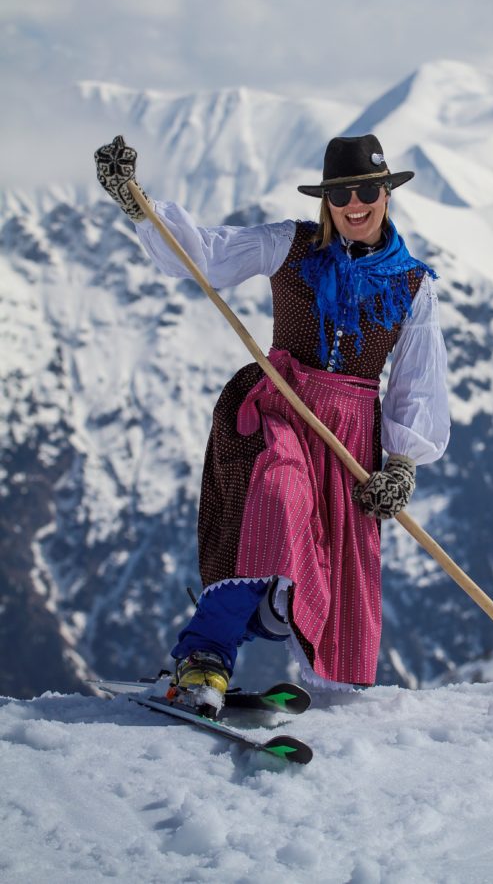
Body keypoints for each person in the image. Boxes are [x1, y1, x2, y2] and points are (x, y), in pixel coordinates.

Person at [94, 132, 450, 715]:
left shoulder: (414, 285)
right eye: (341, 194)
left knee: (339, 570)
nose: (354, 203)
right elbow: (203, 254)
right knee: (276, 498)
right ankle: (205, 657)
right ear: (326, 201)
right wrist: (139, 204)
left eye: (366, 189)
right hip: (280, 408)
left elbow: (417, 381)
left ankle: (329, 685)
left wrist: (403, 464)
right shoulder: (290, 244)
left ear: (387, 193)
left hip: (350, 438)